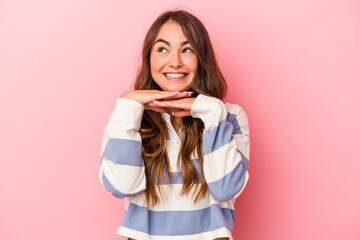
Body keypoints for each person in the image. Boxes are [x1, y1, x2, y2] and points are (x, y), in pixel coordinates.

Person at [99, 9, 250, 240]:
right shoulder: (127, 118)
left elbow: (225, 188)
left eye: (187, 50)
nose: (175, 62)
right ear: (149, 58)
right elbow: (122, 186)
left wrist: (211, 111)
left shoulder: (228, 117)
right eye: (162, 49)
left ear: (202, 59)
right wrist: (128, 103)